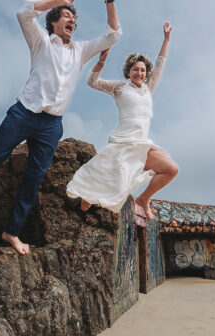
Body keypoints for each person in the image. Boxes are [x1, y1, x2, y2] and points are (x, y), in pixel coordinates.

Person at [0, 0, 121, 255]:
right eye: (67, 16)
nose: (72, 20)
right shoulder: (41, 41)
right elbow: (23, 13)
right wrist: (61, 1)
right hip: (24, 113)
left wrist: (110, 2)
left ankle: (11, 232)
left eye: (74, 18)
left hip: (52, 125)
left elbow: (113, 34)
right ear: (53, 22)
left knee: (34, 178)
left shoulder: (80, 50)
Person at [66, 22, 178, 220]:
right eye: (136, 70)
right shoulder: (119, 87)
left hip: (142, 145)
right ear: (128, 72)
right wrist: (101, 62)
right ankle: (80, 213)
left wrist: (166, 39)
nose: (140, 73)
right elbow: (92, 82)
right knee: (87, 201)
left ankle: (143, 199)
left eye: (143, 70)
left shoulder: (147, 88)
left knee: (171, 169)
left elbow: (161, 62)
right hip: (123, 144)